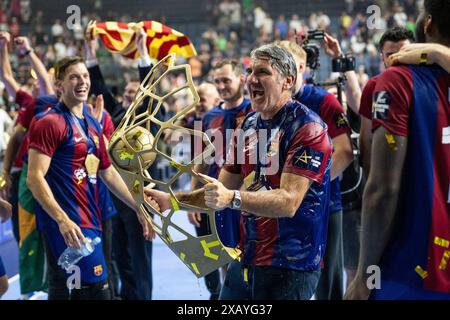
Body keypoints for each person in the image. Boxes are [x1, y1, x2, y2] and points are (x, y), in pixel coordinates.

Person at [146, 44, 332, 300]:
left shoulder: (308, 128)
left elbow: (289, 202)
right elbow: (219, 191)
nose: (252, 79)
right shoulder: (250, 125)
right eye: (250, 71)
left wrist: (232, 199)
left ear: (288, 81)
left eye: (263, 72)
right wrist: (172, 201)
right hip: (248, 255)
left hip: (291, 263)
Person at [345, 0, 450, 300]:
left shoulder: (399, 80)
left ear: (427, 24)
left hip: (414, 269)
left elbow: (382, 189)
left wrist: (365, 276)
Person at [26, 56, 154, 300]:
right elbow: (34, 178)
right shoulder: (50, 123)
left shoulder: (93, 124)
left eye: (85, 76)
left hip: (90, 220)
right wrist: (62, 220)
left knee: (83, 290)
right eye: (74, 76)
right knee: (85, 289)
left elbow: (107, 172)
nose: (82, 81)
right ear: (59, 85)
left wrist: (139, 206)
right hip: (64, 225)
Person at [278, 38, 353, 300]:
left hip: (323, 206)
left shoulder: (322, 100)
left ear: (302, 67)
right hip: (281, 207)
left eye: (287, 65)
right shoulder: (270, 105)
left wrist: (305, 187)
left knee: (327, 284)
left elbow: (344, 152)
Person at [84, 26, 156, 300]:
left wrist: (142, 50)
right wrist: (90, 52)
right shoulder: (115, 115)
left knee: (140, 258)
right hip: (115, 195)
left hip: (140, 193)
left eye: (135, 91)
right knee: (118, 256)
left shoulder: (145, 118)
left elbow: (148, 87)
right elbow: (99, 87)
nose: (130, 93)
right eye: (127, 90)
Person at [188, 59, 252, 300]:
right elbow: (199, 160)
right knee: (223, 255)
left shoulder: (253, 112)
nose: (222, 86)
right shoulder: (207, 118)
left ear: (241, 80)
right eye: (217, 81)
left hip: (246, 200)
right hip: (216, 200)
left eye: (227, 80)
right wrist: (193, 199)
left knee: (249, 257)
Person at [359, 27, 415, 177]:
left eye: (404, 53)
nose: (397, 59)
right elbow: (366, 139)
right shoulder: (373, 86)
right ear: (382, 57)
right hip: (388, 171)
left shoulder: (426, 83)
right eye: (390, 55)